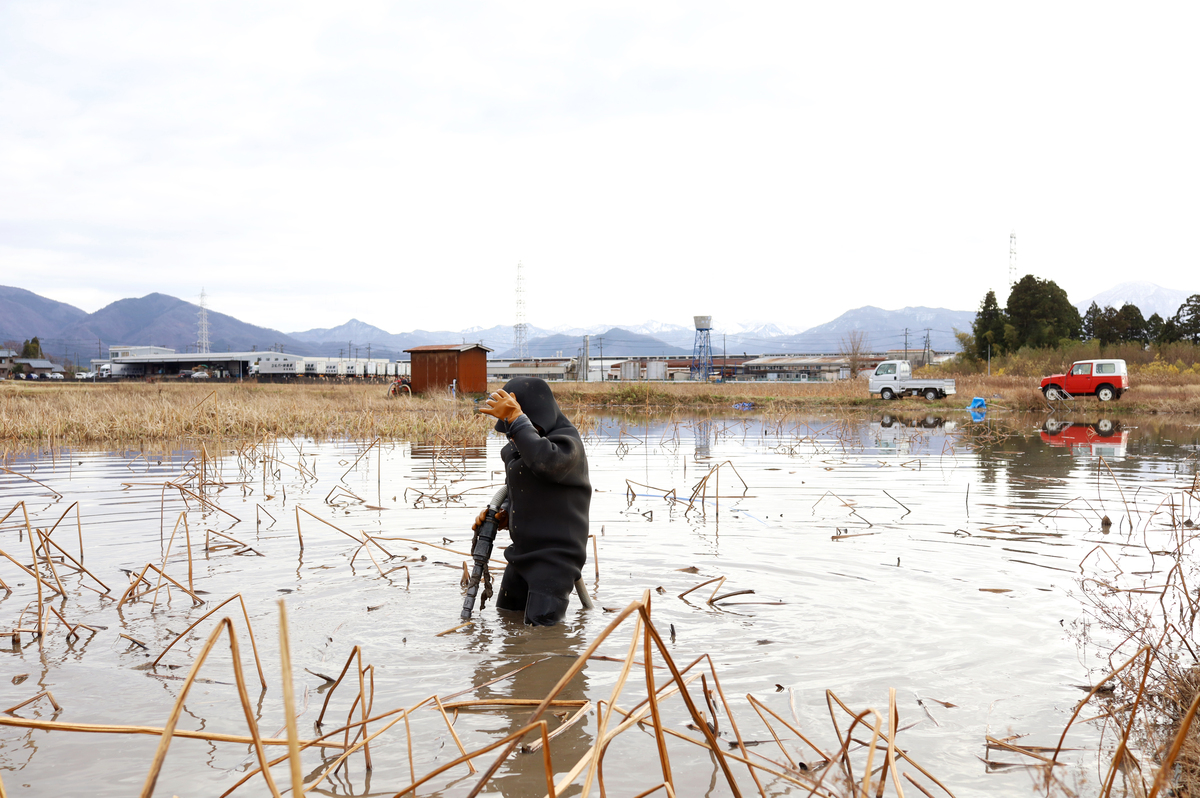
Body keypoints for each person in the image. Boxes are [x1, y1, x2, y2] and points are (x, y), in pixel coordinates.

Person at [475, 376, 590, 626]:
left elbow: (544, 462)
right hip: (522, 554)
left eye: (517, 428)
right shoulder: (519, 449)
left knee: (543, 631)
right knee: (507, 618)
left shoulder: (567, 445)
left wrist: (517, 420)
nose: (513, 438)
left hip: (555, 559)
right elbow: (520, 490)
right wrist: (504, 513)